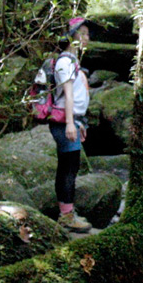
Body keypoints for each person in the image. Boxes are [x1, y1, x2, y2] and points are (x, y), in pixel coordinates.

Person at [50, 17, 91, 230]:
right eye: (81, 33)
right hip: (64, 122)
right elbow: (67, 95)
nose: (86, 38)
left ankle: (67, 212)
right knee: (68, 167)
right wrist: (69, 124)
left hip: (72, 120)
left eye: (87, 34)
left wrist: (78, 122)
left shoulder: (72, 62)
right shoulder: (65, 62)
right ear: (71, 37)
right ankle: (66, 216)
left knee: (70, 166)